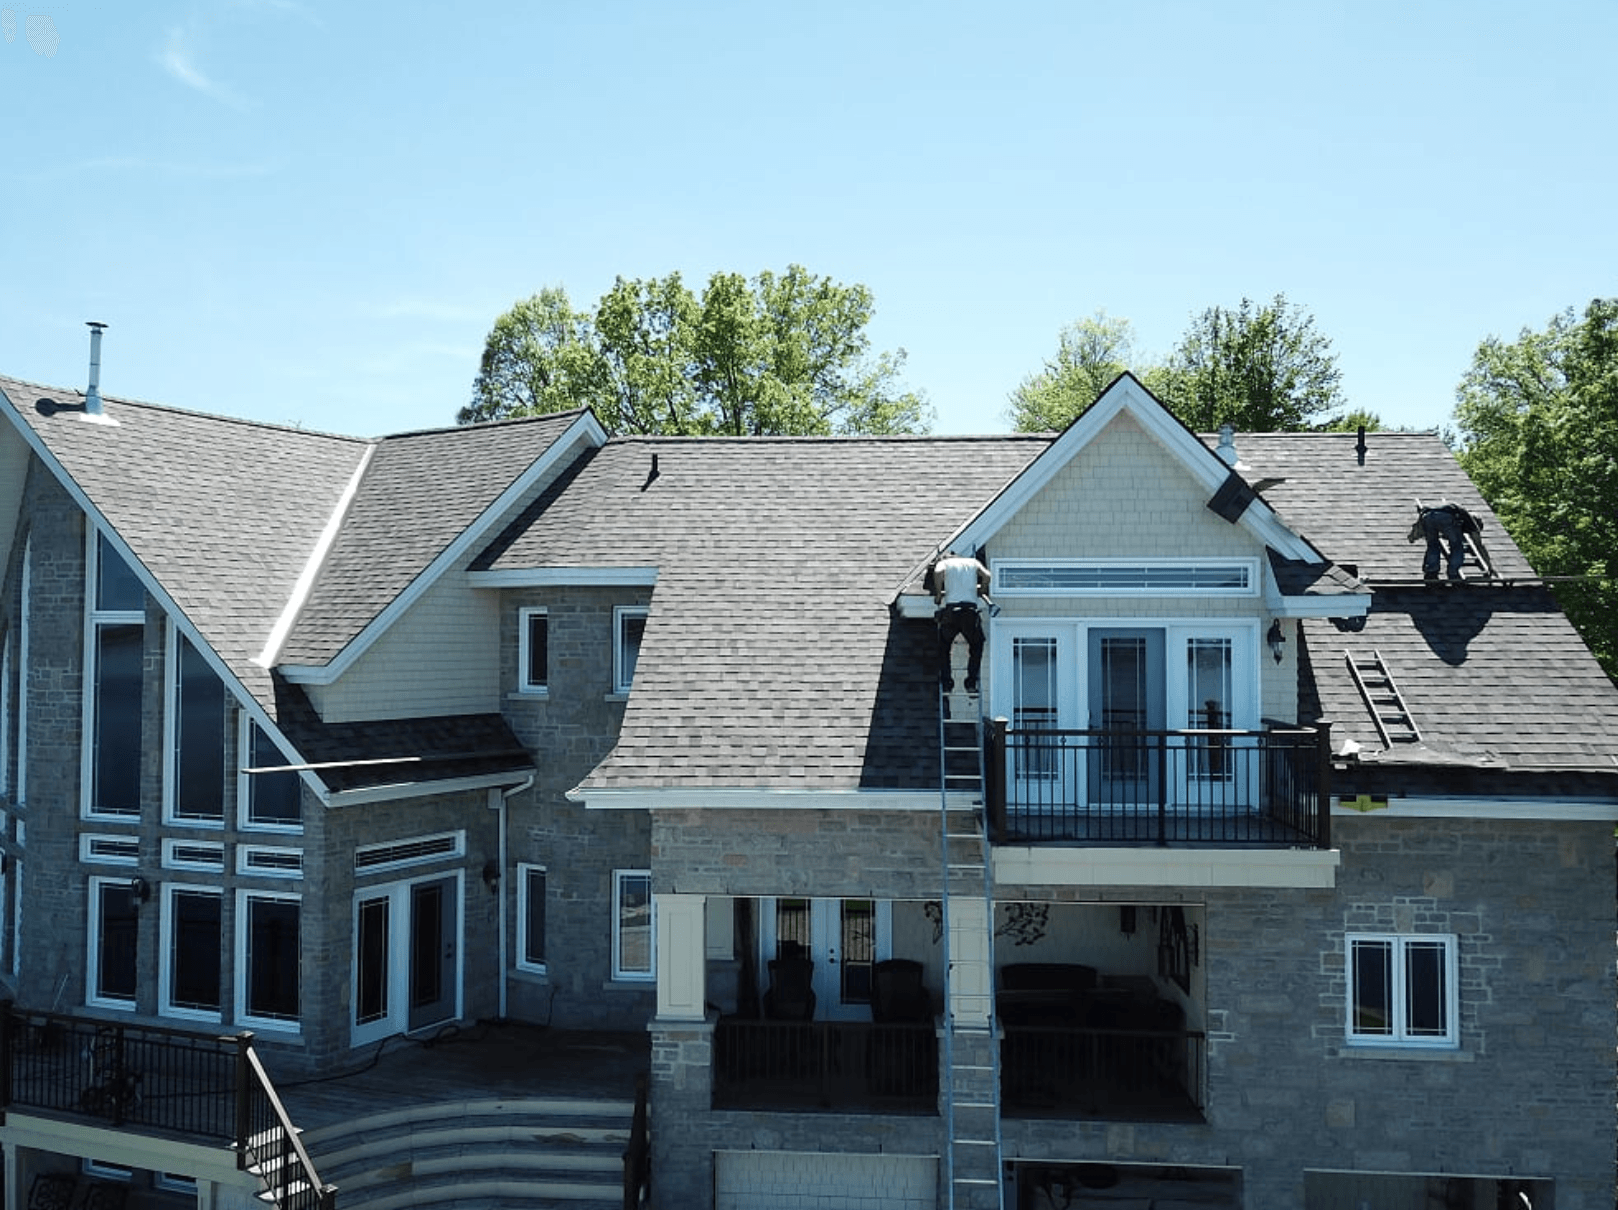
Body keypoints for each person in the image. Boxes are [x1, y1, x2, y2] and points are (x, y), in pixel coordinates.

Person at [930, 549, 991, 692]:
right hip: (970, 612)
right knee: (976, 645)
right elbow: (987, 576)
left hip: (952, 611)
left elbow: (938, 572)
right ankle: (970, 682)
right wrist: (982, 590)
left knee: (944, 647)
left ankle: (947, 683)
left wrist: (939, 593)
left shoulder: (945, 562)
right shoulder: (973, 562)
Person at [1407, 500, 1481, 581]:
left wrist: (1412, 536)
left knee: (1433, 545)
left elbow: (1420, 524)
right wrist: (1489, 567)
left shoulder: (1452, 509)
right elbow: (1478, 544)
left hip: (1427, 516)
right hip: (1445, 516)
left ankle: (1432, 571)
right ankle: (1453, 572)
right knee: (1457, 546)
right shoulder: (1468, 519)